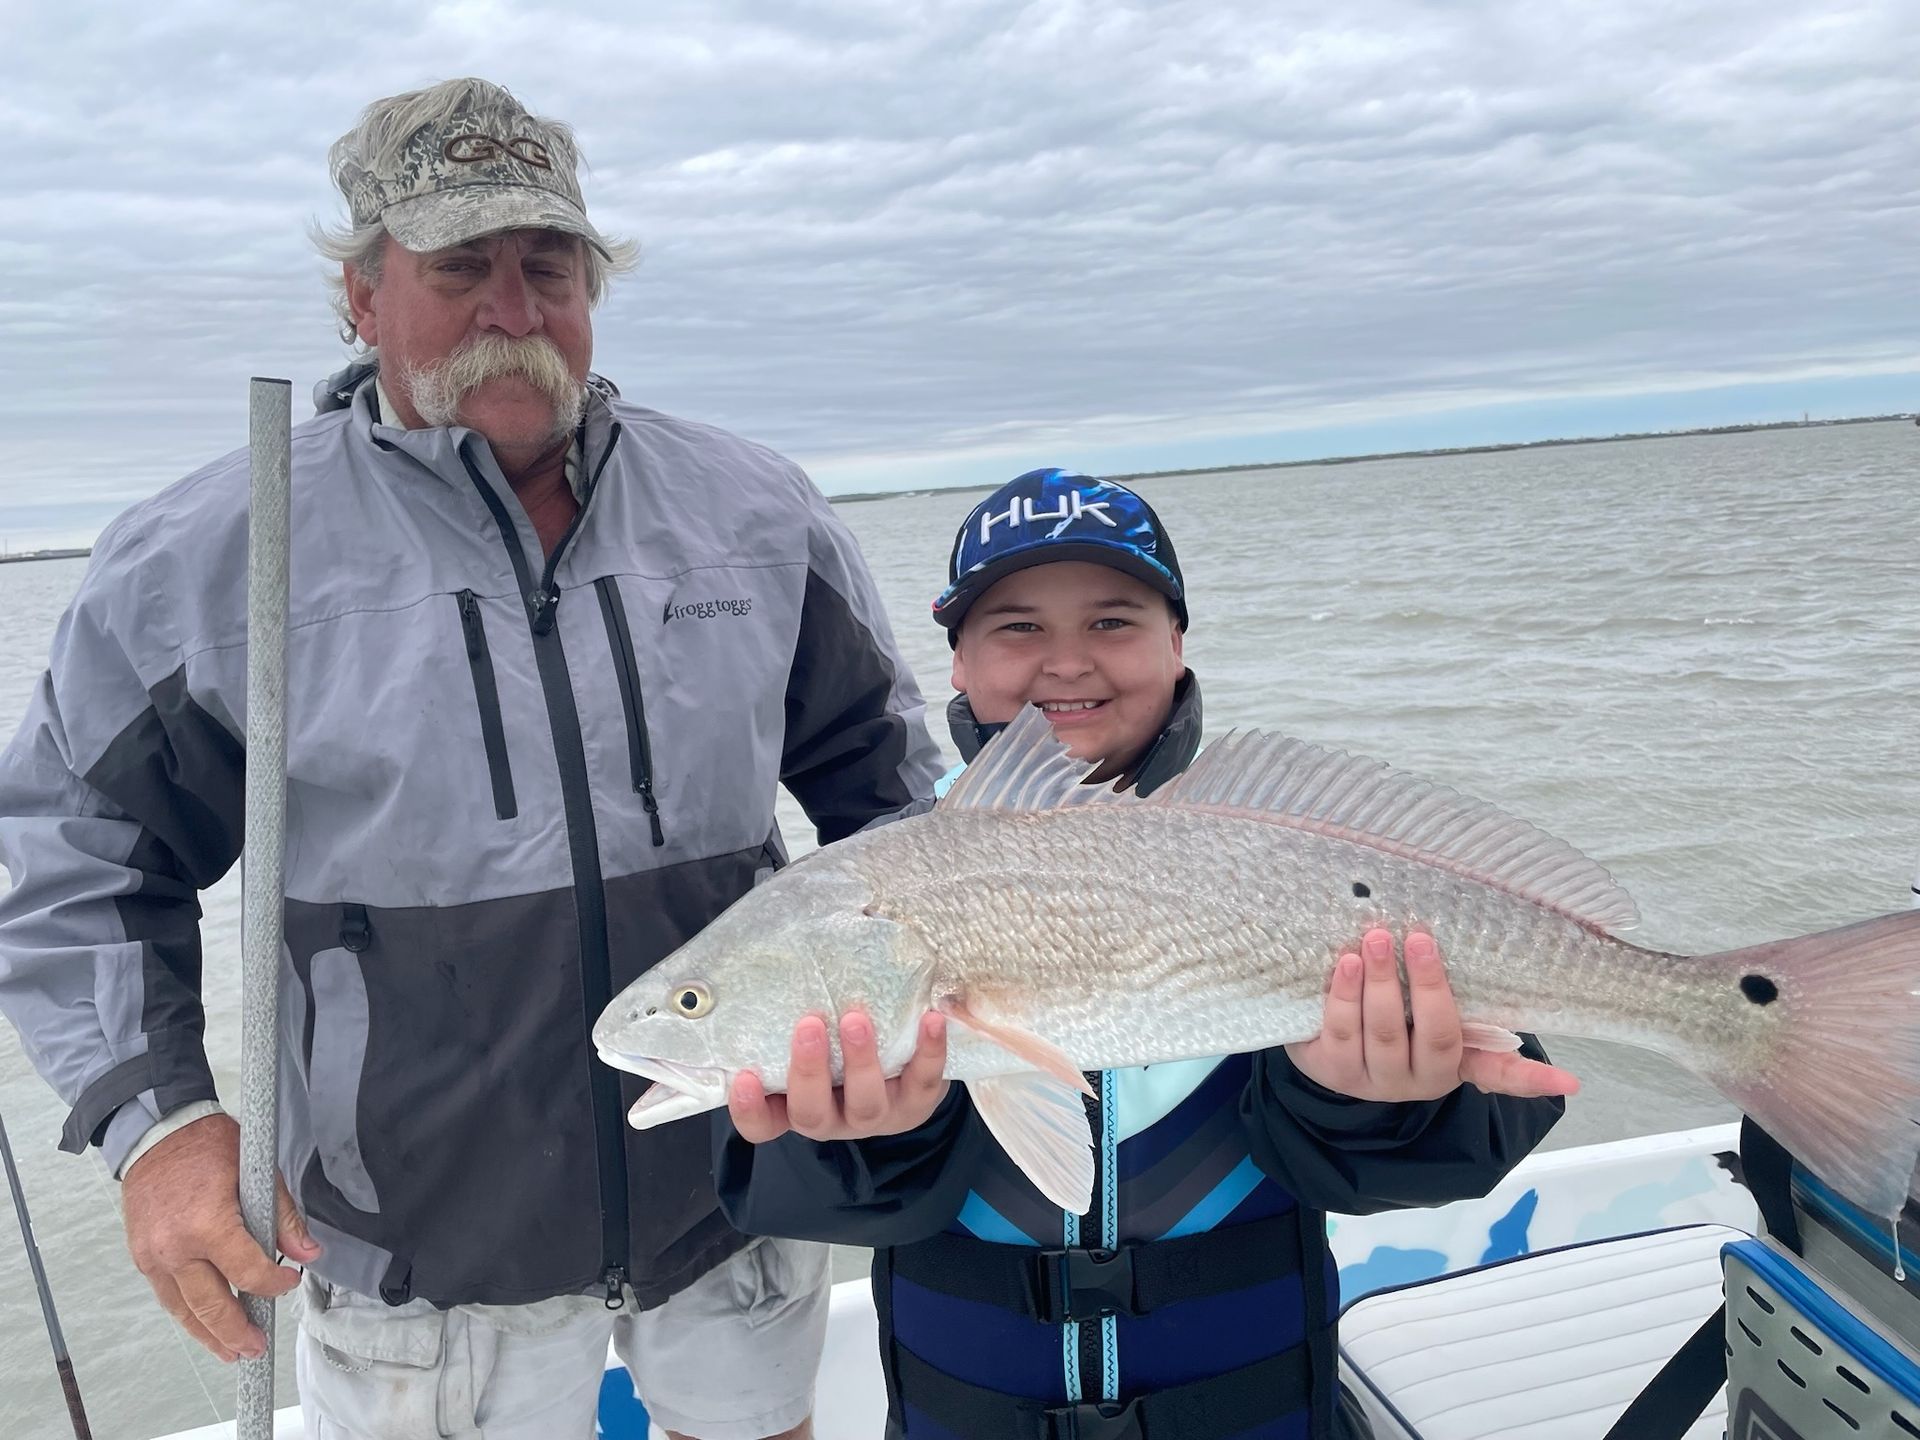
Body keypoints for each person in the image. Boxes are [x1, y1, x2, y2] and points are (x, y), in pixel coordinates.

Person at [0, 77, 943, 1440]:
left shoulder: (755, 509)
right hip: (409, 1236)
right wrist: (161, 1126)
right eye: (459, 269)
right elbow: (72, 859)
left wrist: (915, 1021)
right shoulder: (210, 554)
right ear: (361, 294)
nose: (512, 311)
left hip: (738, 1176)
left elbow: (894, 807)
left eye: (545, 267)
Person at [717, 468, 1578, 1440]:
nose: (1067, 663)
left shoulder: (1299, 853)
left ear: (1179, 642)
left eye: (1113, 621)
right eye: (1018, 627)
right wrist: (871, 1140)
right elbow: (771, 1188)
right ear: (953, 660)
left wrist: (1369, 1105)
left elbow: (1465, 1141)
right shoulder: (864, 895)